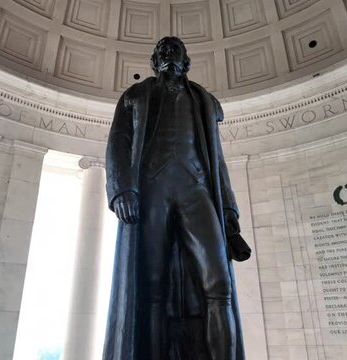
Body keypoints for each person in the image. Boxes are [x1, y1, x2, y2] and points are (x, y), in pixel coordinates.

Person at [103, 36, 246, 360]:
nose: (168, 54)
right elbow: (117, 144)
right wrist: (122, 189)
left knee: (219, 285)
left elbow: (217, 159)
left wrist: (226, 205)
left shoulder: (205, 101)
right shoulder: (135, 96)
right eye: (162, 51)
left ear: (186, 60)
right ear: (155, 62)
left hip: (197, 191)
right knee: (152, 290)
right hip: (152, 192)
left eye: (174, 50)